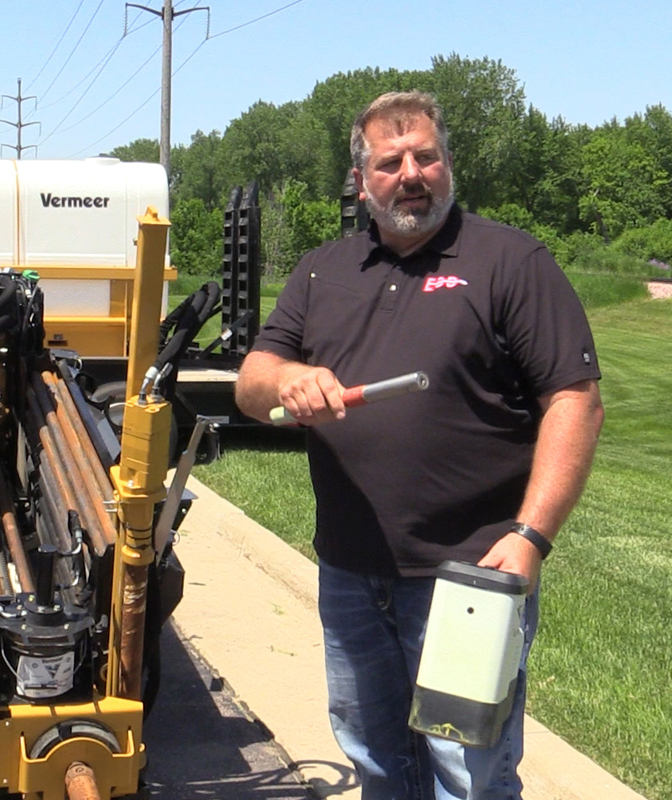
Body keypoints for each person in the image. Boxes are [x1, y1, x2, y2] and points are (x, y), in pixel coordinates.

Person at [235, 91, 605, 799]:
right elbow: (252, 381)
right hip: (349, 573)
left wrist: (531, 536)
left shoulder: (510, 261)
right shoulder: (323, 271)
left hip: (470, 578)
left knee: (468, 771)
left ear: (448, 163)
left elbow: (576, 400)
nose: (411, 174)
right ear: (360, 180)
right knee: (375, 759)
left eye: (425, 157)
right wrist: (289, 379)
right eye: (389, 162)